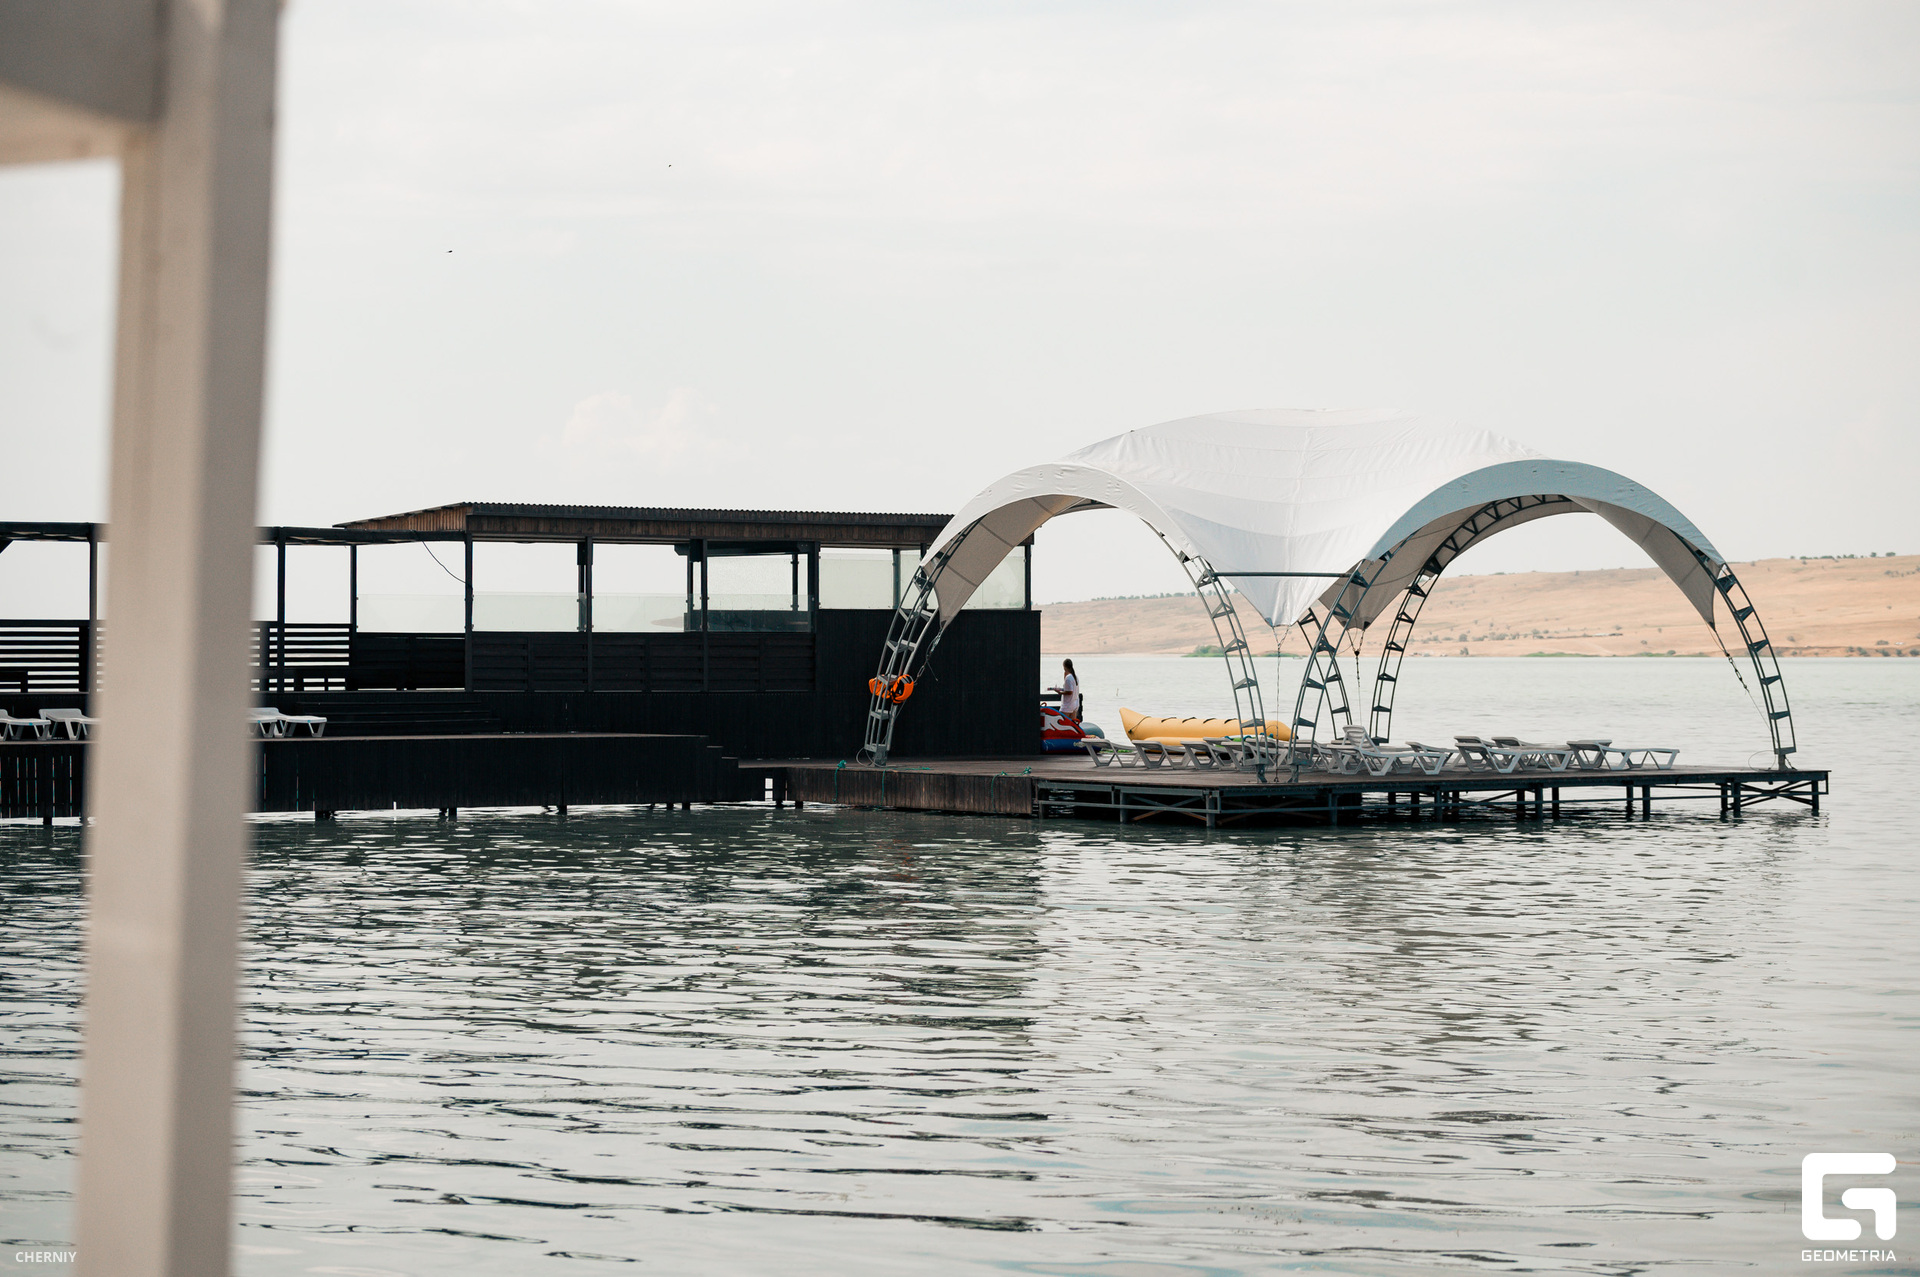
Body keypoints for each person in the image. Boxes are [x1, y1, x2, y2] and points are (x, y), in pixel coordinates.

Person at [1051, 659, 1082, 724]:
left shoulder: (1068, 678)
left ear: (1064, 666)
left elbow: (1070, 692)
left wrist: (1060, 692)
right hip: (1074, 704)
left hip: (1067, 705)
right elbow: (1070, 689)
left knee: (1060, 724)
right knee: (1071, 725)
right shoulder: (1075, 677)